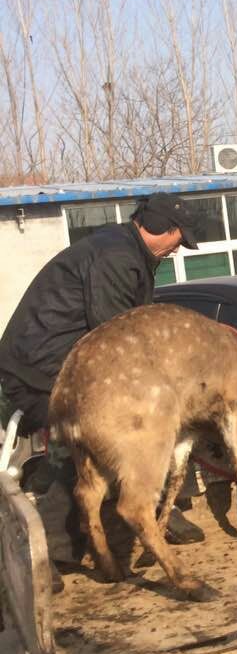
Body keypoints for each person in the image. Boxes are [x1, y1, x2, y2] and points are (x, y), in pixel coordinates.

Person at [0, 192, 205, 545]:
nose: (178, 249)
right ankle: (51, 547)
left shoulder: (126, 251)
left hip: (63, 366)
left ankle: (160, 510)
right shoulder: (116, 258)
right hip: (38, 374)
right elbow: (114, 339)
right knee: (93, 435)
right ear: (161, 227)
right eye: (179, 239)